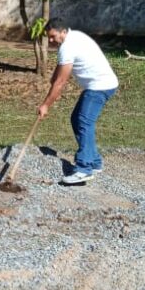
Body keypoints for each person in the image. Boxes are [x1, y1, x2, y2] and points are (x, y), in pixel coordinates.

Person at [37, 19, 118, 185]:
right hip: (101, 84)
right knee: (77, 119)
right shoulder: (75, 36)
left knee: (83, 121)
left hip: (99, 86)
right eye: (49, 38)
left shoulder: (67, 47)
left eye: (52, 37)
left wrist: (46, 105)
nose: (51, 41)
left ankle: (84, 169)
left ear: (62, 32)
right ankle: (94, 161)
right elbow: (59, 73)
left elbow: (61, 82)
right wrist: (53, 80)